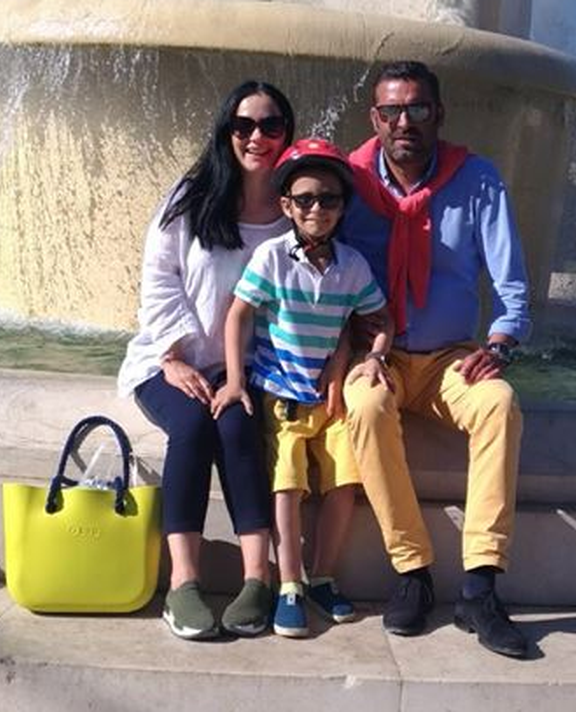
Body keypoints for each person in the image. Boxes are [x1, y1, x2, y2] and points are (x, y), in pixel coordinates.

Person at [340, 60, 531, 658]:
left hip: (452, 357)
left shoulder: (477, 179)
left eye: (417, 109)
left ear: (438, 114)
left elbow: (511, 285)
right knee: (364, 407)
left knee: (499, 404)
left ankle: (480, 586)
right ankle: (412, 572)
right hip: (379, 355)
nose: (405, 122)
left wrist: (499, 344)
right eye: (391, 111)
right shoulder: (349, 180)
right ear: (375, 118)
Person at [116, 80, 296, 640]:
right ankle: (183, 584)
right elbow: (158, 277)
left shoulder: (297, 207)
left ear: (286, 132)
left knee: (238, 428)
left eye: (270, 125)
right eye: (244, 125)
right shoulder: (192, 196)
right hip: (169, 360)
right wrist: (172, 355)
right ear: (226, 131)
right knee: (193, 424)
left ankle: (257, 580)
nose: (257, 137)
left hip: (247, 368)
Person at [214, 137, 393, 638]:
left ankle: (323, 575)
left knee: (344, 481)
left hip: (330, 401)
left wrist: (373, 356)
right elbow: (238, 314)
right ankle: (289, 582)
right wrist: (235, 381)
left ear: (343, 205)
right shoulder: (272, 257)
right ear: (286, 205)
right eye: (306, 199)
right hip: (282, 394)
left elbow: (380, 318)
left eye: (329, 199)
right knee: (288, 483)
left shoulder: (351, 265)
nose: (317, 208)